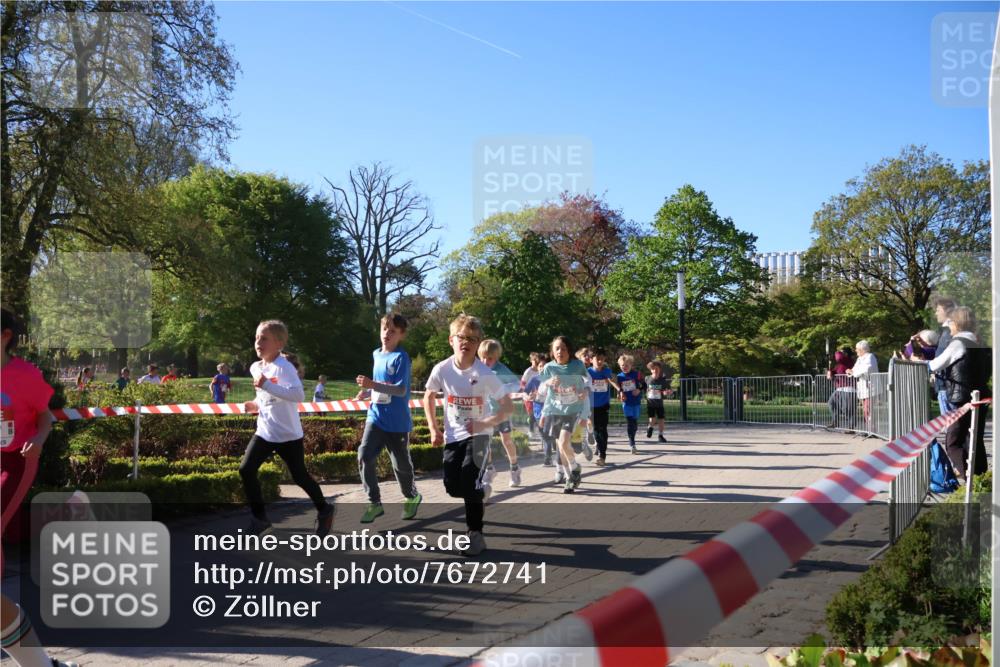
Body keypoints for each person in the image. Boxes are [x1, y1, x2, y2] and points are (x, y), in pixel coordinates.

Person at [0, 309, 79, 667]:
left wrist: (41, 440)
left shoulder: (24, 374)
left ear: (4, 336)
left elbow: (46, 417)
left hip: (15, 462)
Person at [423, 314, 512, 556]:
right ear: (451, 340)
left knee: (469, 477)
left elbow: (508, 406)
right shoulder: (441, 369)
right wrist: (433, 428)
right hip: (454, 437)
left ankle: (475, 536)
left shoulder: (485, 373)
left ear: (478, 343)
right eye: (462, 337)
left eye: (472, 339)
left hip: (480, 435)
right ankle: (482, 490)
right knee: (453, 487)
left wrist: (485, 422)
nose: (466, 342)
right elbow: (429, 396)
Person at [239, 320, 334, 537]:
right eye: (256, 338)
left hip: (288, 435)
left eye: (264, 338)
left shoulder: (284, 367)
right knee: (246, 469)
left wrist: (267, 385)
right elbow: (264, 396)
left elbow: (297, 395)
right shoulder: (256, 367)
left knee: (300, 477)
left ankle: (325, 509)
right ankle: (259, 518)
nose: (258, 342)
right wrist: (254, 403)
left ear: (279, 343)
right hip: (265, 431)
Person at [354, 313, 422, 523]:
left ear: (401, 335)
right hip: (375, 417)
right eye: (384, 329)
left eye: (392, 331)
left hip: (397, 423)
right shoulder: (376, 354)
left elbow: (401, 390)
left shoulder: (401, 357)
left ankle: (412, 496)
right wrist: (367, 393)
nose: (387, 334)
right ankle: (374, 502)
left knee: (400, 465)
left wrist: (372, 385)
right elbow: (380, 383)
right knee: (364, 455)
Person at [927, 307, 990, 480]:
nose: (950, 327)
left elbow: (936, 365)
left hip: (961, 397)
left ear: (956, 323)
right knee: (975, 439)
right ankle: (980, 478)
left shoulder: (958, 343)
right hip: (980, 396)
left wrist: (922, 364)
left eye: (951, 323)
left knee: (953, 441)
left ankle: (967, 477)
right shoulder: (979, 342)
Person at [539, 336, 589, 492]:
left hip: (573, 410)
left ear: (569, 350)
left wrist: (585, 392)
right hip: (555, 411)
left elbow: (588, 381)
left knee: (562, 442)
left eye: (564, 348)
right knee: (561, 448)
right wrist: (544, 413)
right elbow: (543, 390)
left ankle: (574, 468)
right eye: (557, 349)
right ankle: (570, 476)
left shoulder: (577, 365)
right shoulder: (549, 368)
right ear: (552, 352)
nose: (560, 351)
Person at [477, 339, 522, 487]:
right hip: (486, 413)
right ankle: (490, 469)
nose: (485, 361)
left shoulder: (501, 370)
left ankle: (514, 468)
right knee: (484, 443)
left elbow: (517, 384)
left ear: (496, 357)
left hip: (501, 412)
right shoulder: (478, 369)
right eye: (483, 357)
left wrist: (504, 389)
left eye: (489, 358)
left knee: (506, 441)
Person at [587, 348, 617, 466]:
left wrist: (619, 389)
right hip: (591, 406)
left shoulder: (606, 371)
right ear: (591, 360)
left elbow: (612, 380)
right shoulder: (588, 372)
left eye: (602, 359)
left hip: (603, 405)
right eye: (597, 359)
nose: (600, 362)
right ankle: (599, 447)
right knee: (596, 430)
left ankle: (602, 455)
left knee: (602, 430)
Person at [524, 354, 556, 465]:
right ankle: (552, 441)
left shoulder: (553, 380)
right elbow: (525, 392)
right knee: (542, 433)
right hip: (537, 409)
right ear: (537, 368)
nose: (542, 368)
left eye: (544, 366)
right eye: (540, 366)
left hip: (550, 410)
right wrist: (529, 397)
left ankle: (548, 458)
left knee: (546, 432)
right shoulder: (534, 379)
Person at [932, 297, 957, 415]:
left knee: (951, 427)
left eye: (938, 310)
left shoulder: (949, 332)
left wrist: (929, 365)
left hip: (946, 386)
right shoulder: (947, 331)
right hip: (947, 384)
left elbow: (943, 358)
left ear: (946, 311)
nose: (935, 313)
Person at [847, 340, 878, 432]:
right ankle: (869, 429)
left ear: (862, 349)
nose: (856, 351)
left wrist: (854, 372)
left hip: (870, 387)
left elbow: (866, 369)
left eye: (857, 349)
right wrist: (850, 371)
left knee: (868, 409)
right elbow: (854, 370)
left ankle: (872, 430)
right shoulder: (860, 359)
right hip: (863, 388)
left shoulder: (870, 356)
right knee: (865, 410)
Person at [617, 354, 644, 454]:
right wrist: (619, 394)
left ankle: (632, 440)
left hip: (636, 401)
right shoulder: (619, 377)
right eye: (622, 365)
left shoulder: (637, 374)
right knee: (630, 423)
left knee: (635, 424)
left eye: (626, 365)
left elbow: (644, 385)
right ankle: (632, 444)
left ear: (631, 365)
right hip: (626, 402)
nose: (624, 367)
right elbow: (618, 388)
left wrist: (638, 389)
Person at [826, 348, 856, 429]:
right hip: (839, 388)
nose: (840, 353)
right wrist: (830, 372)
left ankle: (851, 427)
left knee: (847, 408)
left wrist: (836, 351)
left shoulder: (848, 361)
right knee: (831, 403)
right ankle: (835, 422)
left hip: (848, 388)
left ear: (846, 354)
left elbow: (838, 356)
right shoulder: (839, 364)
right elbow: (835, 370)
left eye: (842, 352)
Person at [645, 360, 669, 443]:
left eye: (657, 369)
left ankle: (661, 435)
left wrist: (667, 392)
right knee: (652, 419)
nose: (655, 370)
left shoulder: (663, 380)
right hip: (650, 403)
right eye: (653, 369)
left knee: (661, 419)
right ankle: (650, 428)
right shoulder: (647, 379)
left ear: (660, 369)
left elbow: (668, 390)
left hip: (659, 404)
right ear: (650, 370)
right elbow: (642, 387)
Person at [520, 352, 542, 436]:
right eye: (534, 361)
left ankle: (540, 428)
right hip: (529, 397)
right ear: (531, 361)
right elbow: (522, 383)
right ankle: (531, 430)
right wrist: (527, 392)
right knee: (531, 414)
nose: (536, 363)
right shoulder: (528, 371)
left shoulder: (541, 370)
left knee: (538, 414)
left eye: (537, 361)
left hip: (538, 397)